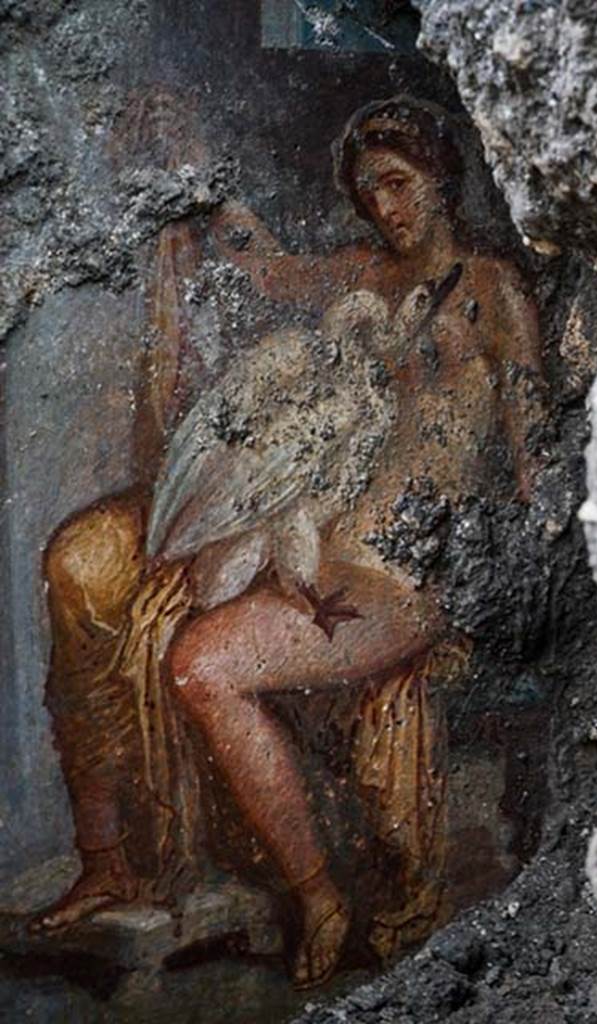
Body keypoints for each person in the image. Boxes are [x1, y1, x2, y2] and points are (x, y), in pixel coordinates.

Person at [33, 95, 545, 990]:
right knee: (144, 613)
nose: (385, 206)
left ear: (440, 178)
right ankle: (218, 877)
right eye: (368, 191)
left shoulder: (493, 292)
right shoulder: (360, 274)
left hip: (405, 572)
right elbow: (264, 268)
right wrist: (199, 178)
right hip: (315, 552)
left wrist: (523, 568)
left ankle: (319, 898)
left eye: (399, 183)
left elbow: (532, 449)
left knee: (202, 664)